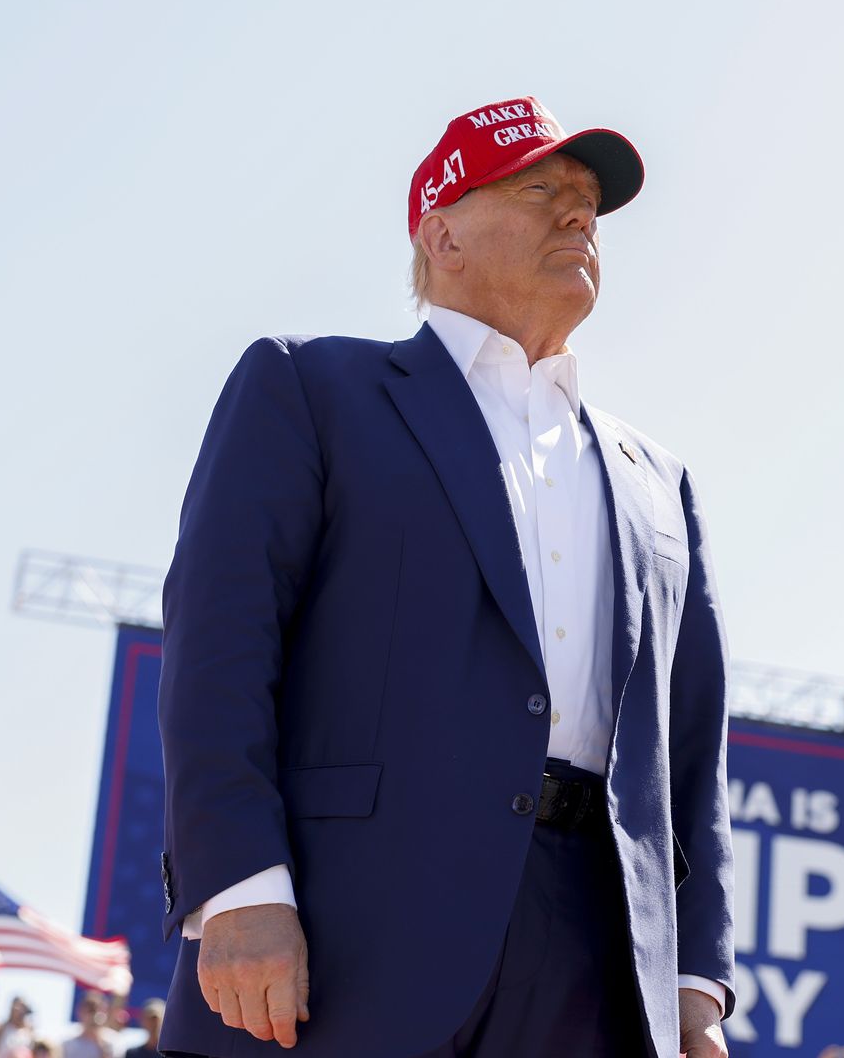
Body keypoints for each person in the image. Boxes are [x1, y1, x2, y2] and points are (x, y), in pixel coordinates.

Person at [157, 95, 735, 1058]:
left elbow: (691, 748)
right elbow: (220, 645)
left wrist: (691, 980)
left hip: (593, 958)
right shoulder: (311, 389)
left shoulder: (658, 482)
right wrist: (241, 886)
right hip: (350, 933)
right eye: (542, 188)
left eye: (589, 201)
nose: (578, 215)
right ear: (442, 234)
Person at [60, 992, 124, 1058]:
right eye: (91, 1010)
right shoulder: (68, 1045)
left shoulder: (114, 1042)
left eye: (100, 1010)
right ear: (80, 1012)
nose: (95, 1016)